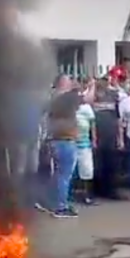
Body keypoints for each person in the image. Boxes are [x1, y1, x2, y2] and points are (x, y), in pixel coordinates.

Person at [36, 74, 81, 218]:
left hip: (54, 139)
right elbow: (88, 99)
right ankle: (60, 207)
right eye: (69, 80)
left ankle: (49, 202)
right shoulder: (66, 97)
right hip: (64, 140)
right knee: (64, 175)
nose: (72, 82)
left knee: (57, 174)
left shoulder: (51, 97)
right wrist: (91, 85)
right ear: (62, 83)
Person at [92, 77, 123, 200]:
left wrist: (120, 138)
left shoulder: (113, 96)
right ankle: (97, 190)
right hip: (96, 136)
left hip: (111, 134)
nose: (103, 84)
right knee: (97, 164)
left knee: (111, 164)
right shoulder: (92, 96)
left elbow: (118, 118)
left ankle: (110, 190)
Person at [74, 96, 97, 205]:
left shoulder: (87, 108)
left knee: (87, 170)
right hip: (70, 142)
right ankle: (69, 196)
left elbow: (92, 124)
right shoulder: (69, 107)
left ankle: (88, 196)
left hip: (84, 143)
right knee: (70, 171)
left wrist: (94, 140)